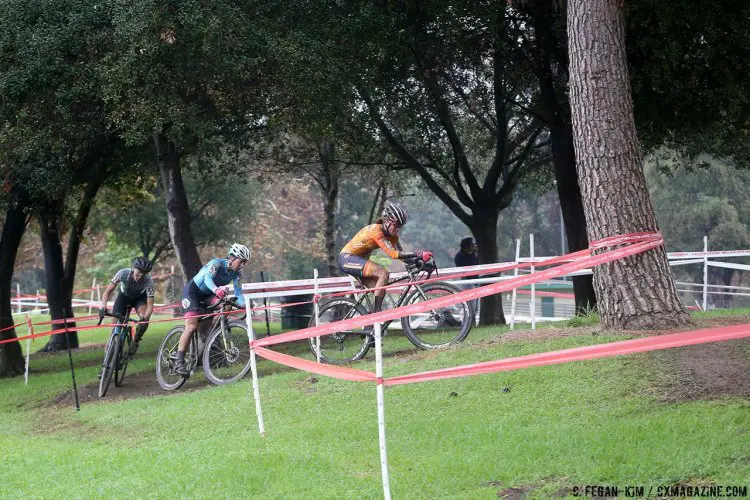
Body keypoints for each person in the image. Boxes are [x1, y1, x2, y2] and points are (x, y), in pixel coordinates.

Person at [338, 201, 432, 315]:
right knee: (384, 273)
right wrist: (419, 254)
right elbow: (393, 254)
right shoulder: (376, 232)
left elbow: (401, 255)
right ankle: (377, 314)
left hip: (359, 261)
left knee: (381, 289)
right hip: (347, 258)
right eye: (396, 225)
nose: (398, 229)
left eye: (400, 226)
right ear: (387, 221)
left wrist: (420, 263)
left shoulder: (393, 237)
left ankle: (370, 325)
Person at [173, 243, 250, 376]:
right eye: (241, 261)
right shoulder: (217, 264)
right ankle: (178, 359)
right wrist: (216, 289)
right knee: (191, 327)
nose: (242, 265)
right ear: (232, 258)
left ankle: (210, 334)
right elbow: (208, 279)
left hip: (208, 295)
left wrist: (245, 305)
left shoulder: (237, 274)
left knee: (228, 304)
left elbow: (238, 293)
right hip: (193, 292)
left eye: (244, 262)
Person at [99, 256, 155, 359]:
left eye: (143, 275)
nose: (140, 277)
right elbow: (107, 292)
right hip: (123, 297)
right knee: (114, 329)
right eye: (138, 273)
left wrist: (145, 320)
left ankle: (135, 342)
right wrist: (103, 307)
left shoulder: (149, 281)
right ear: (133, 269)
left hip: (139, 299)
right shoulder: (122, 273)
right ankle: (107, 360)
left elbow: (150, 306)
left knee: (144, 318)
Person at [454, 237, 479, 321]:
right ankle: (466, 323)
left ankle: (473, 323)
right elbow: (469, 268)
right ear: (466, 246)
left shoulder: (472, 254)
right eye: (471, 245)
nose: (473, 247)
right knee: (468, 306)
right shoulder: (459, 256)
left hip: (475, 282)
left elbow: (477, 265)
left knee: (475, 307)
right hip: (466, 284)